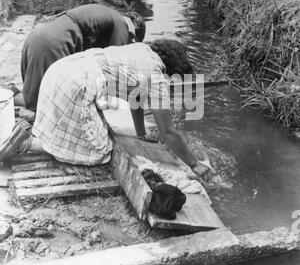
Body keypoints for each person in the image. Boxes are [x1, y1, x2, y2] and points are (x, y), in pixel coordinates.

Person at [0, 41, 213, 181]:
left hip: (57, 72)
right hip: (77, 84)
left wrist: (141, 134)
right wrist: (194, 164)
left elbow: (136, 99)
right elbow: (168, 133)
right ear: (172, 72)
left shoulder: (140, 50)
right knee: (99, 151)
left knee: (74, 129)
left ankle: (25, 134)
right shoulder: (157, 77)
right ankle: (28, 143)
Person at [11, 4, 146, 111]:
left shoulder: (108, 17)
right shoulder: (122, 25)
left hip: (37, 37)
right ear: (134, 35)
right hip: (52, 46)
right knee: (48, 105)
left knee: (35, 95)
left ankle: (9, 94)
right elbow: (114, 67)